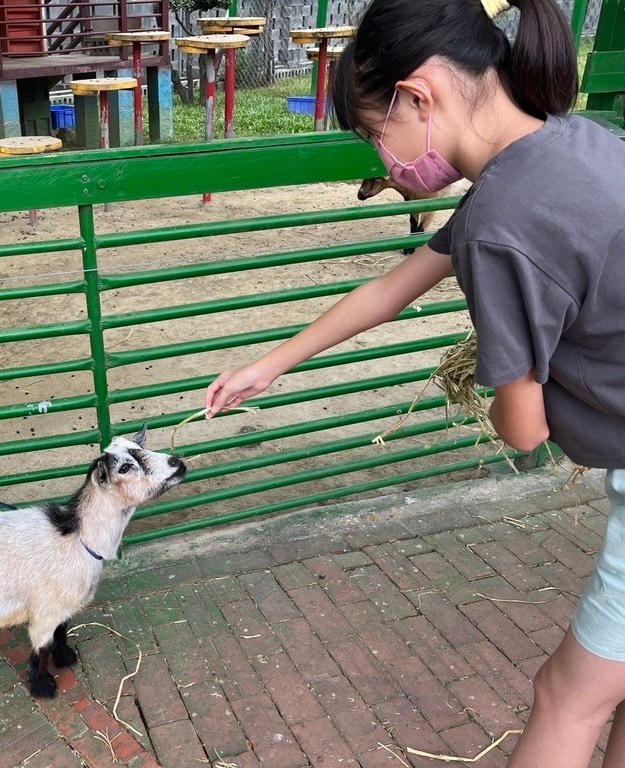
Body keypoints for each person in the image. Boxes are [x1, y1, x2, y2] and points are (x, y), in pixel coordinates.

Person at [204, 0, 625, 765]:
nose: (383, 160)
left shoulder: (505, 218)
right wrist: (267, 365)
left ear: (419, 96)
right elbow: (397, 285)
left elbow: (525, 432)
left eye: (376, 132)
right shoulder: (571, 143)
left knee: (566, 701)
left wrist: (506, 368)